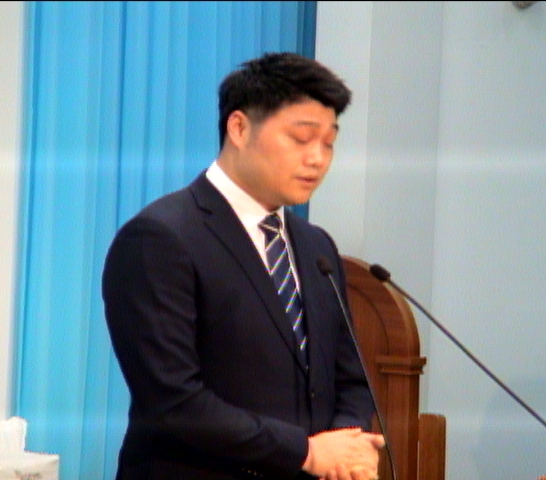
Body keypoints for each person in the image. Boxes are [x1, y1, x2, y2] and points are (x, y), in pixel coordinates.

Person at [102, 52, 385, 480]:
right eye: (301, 138)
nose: (318, 158)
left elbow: (351, 378)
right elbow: (173, 402)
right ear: (239, 128)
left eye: (329, 143)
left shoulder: (316, 246)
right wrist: (306, 453)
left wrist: (347, 444)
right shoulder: (160, 238)